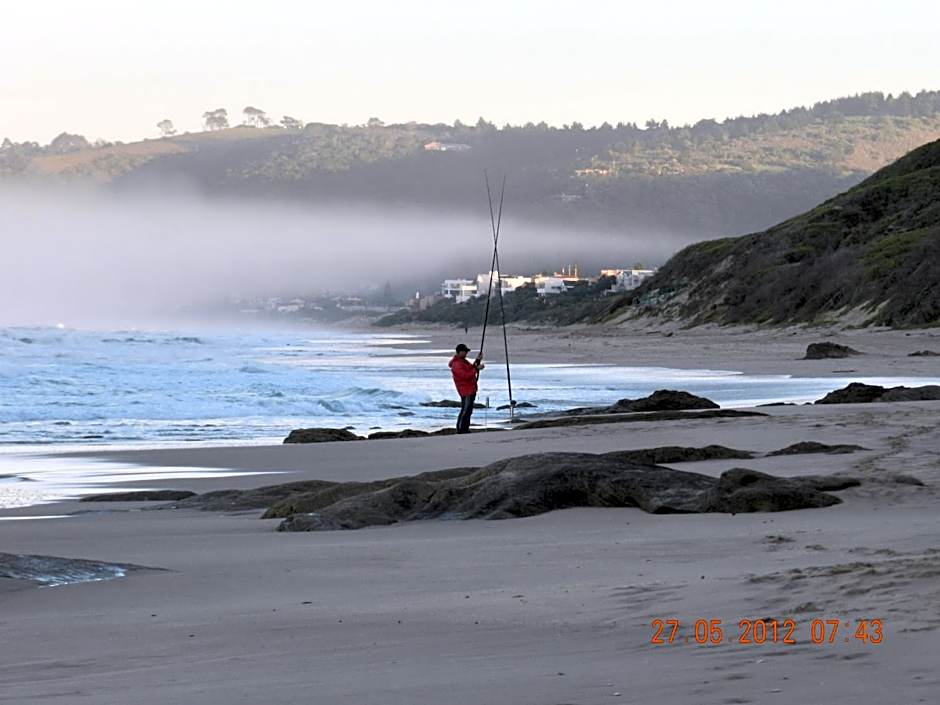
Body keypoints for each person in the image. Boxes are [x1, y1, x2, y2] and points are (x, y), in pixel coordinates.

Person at [449, 343, 484, 433]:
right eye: (465, 352)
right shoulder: (457, 364)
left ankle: (465, 428)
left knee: (468, 410)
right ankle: (460, 429)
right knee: (465, 409)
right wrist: (477, 369)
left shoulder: (463, 361)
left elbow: (470, 368)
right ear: (459, 352)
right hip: (466, 390)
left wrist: (477, 360)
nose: (466, 354)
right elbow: (465, 376)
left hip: (470, 388)